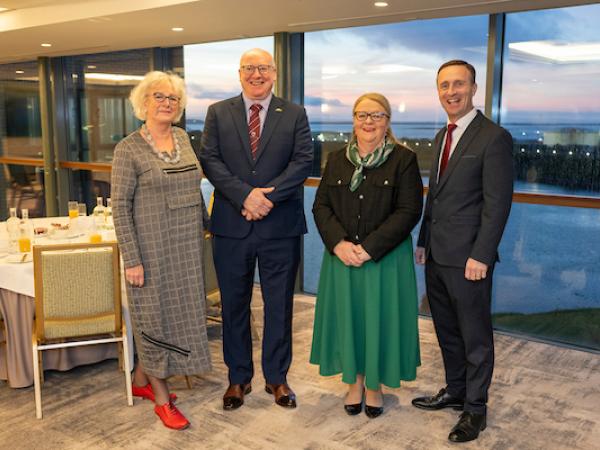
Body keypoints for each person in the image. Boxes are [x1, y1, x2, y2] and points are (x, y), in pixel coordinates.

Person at [199, 48, 313, 410]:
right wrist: (245, 197)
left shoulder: (294, 113)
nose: (257, 74)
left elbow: (303, 161)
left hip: (280, 227)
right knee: (234, 305)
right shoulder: (218, 112)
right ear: (239, 73)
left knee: (279, 306)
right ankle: (238, 378)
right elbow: (210, 160)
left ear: (275, 73)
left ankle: (277, 379)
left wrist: (267, 199)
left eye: (263, 68)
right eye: (250, 68)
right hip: (232, 226)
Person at [411, 60, 513, 443]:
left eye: (458, 84)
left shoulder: (493, 137)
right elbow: (434, 197)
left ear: (473, 88)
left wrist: (482, 255)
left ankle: (475, 410)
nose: (450, 92)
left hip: (470, 259)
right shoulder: (442, 136)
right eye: (443, 86)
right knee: (447, 330)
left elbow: (497, 203)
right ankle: (455, 391)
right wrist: (423, 241)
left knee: (475, 336)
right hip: (437, 255)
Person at [311, 93, 423, 418]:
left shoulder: (404, 159)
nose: (368, 122)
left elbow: (409, 210)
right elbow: (321, 206)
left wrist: (369, 248)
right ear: (353, 120)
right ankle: (355, 383)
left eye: (376, 115)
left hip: (384, 260)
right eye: (362, 115)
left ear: (387, 121)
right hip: (342, 258)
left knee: (379, 319)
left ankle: (375, 385)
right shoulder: (335, 159)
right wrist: (339, 244)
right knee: (351, 321)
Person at [112, 71, 212, 430]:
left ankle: (141, 377)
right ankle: (160, 398)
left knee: (179, 315)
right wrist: (132, 259)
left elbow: (195, 187)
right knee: (152, 316)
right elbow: (120, 207)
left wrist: (209, 226)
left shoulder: (184, 138)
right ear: (144, 103)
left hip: (185, 248)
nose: (167, 103)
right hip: (150, 250)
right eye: (159, 97)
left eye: (173, 98)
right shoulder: (129, 148)